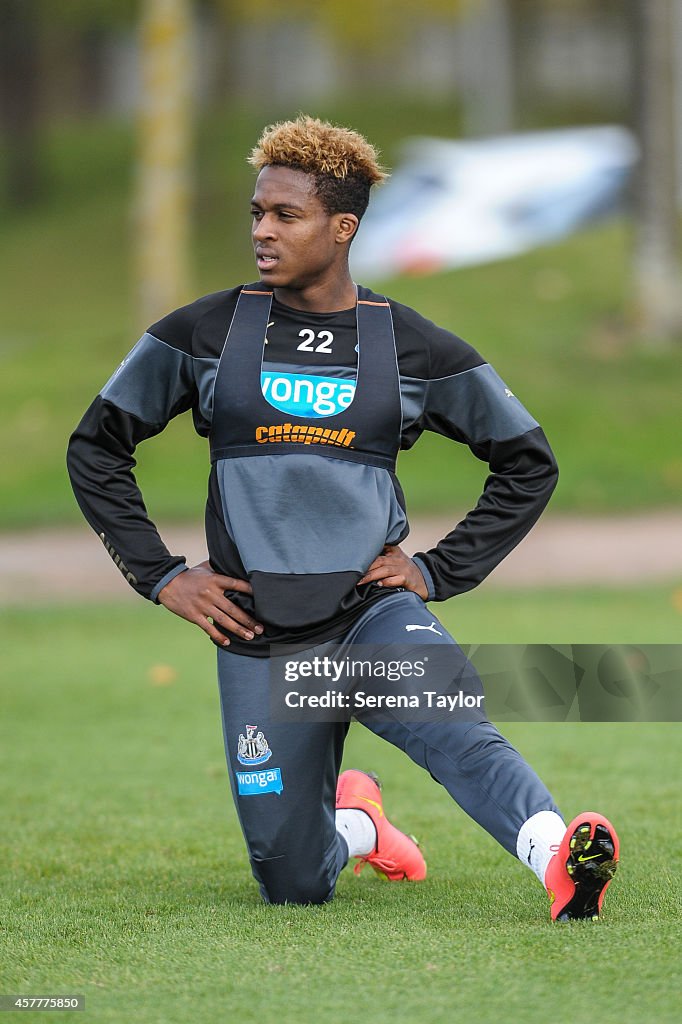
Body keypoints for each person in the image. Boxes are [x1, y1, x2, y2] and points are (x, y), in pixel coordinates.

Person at [67, 115, 619, 920]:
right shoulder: (203, 333)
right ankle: (360, 824)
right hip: (257, 634)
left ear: (343, 226)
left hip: (372, 616)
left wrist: (435, 569)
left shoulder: (411, 346)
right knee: (292, 884)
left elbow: (527, 460)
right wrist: (160, 576)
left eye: (285, 216)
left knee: (460, 730)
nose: (262, 230)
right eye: (257, 212)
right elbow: (95, 447)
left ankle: (560, 860)